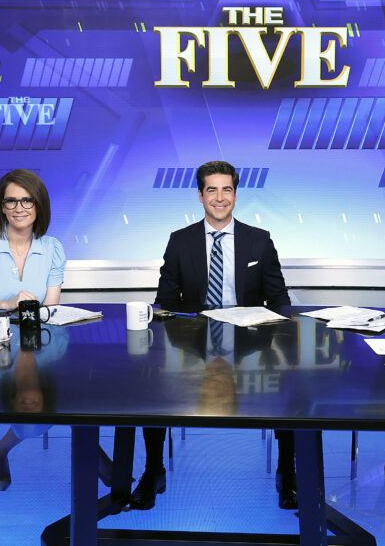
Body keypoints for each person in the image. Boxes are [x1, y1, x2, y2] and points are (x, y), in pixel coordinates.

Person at [143, 160, 295, 511]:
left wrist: (281, 336)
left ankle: (289, 474)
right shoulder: (179, 241)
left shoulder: (259, 240)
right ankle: (153, 471)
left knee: (289, 391)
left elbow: (279, 298)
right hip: (193, 344)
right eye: (211, 189)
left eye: (227, 189)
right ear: (200, 195)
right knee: (154, 391)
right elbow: (165, 301)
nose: (220, 197)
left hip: (250, 343)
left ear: (236, 195)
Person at [0, 169, 86, 492]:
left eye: (28, 200)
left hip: (37, 343)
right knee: (33, 400)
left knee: (70, 391)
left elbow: (50, 309)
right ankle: (7, 450)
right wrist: (7, 303)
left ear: (40, 206)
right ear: (1, 206)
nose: (20, 208)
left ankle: (2, 448)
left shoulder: (52, 247)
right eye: (12, 201)